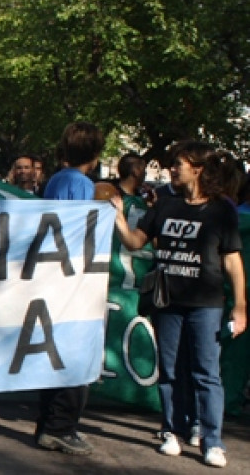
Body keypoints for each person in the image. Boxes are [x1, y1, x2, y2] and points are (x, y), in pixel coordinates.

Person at [112, 141, 246, 469]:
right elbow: (134, 242)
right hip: (167, 301)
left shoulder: (220, 210)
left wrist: (240, 305)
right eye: (173, 164)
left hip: (207, 303)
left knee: (205, 372)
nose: (173, 168)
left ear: (198, 169)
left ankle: (211, 440)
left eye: (179, 164)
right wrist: (117, 218)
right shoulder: (165, 206)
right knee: (170, 369)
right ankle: (172, 430)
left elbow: (232, 261)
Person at [34, 122, 104, 456]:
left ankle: (48, 424)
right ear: (95, 154)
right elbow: (80, 233)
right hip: (72, 279)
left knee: (55, 351)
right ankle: (61, 428)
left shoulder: (55, 181)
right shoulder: (82, 185)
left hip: (51, 277)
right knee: (76, 354)